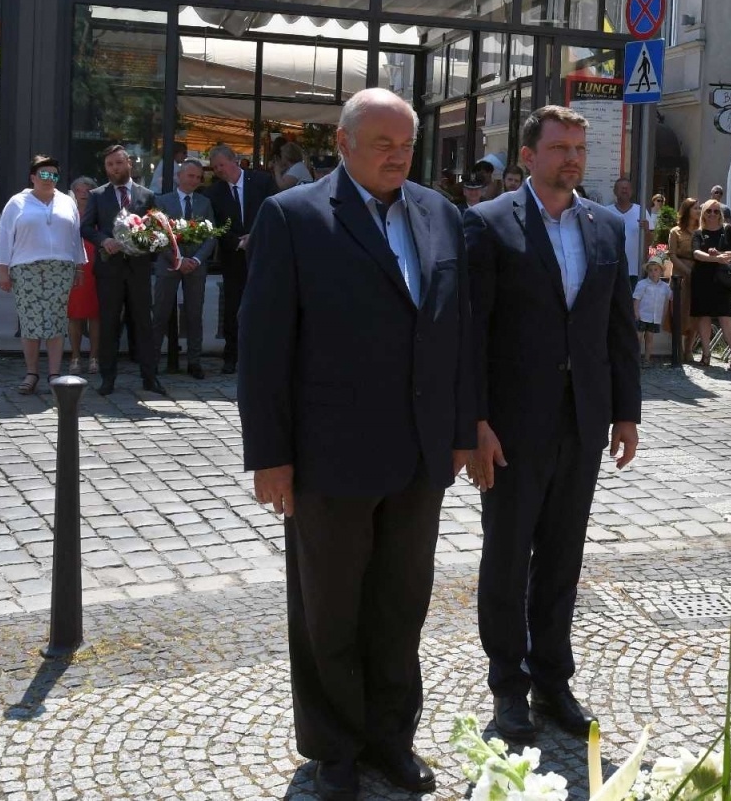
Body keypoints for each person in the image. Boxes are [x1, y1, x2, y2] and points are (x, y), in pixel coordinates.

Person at [240, 88, 474, 801]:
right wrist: (270, 454)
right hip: (329, 454)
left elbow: (454, 331)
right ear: (343, 145)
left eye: (405, 142)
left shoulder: (439, 214)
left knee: (401, 607)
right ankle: (334, 747)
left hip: (417, 455)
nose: (398, 154)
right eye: (382, 142)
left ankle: (389, 739)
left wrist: (462, 431)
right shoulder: (295, 216)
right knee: (329, 611)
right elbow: (264, 343)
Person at [462, 105, 640, 746]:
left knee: (563, 557)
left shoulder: (605, 227)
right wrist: (474, 421)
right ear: (528, 156)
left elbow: (617, 326)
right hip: (510, 428)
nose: (571, 158)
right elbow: (471, 333)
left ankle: (552, 679)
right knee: (507, 558)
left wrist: (625, 411)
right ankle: (508, 687)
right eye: (559, 147)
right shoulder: (486, 225)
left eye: (578, 149)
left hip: (582, 423)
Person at [0, 156, 87, 393]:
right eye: (44, 174)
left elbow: (75, 236)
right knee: (30, 322)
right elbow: (4, 236)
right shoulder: (17, 202)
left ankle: (54, 373)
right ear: (33, 177)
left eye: (53, 175)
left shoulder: (67, 201)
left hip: (61, 268)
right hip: (27, 268)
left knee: (56, 321)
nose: (49, 179)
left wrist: (79, 265)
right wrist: (2, 269)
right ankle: (31, 373)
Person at [80, 144, 165, 397]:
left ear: (129, 163)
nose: (115, 168)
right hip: (109, 269)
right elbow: (85, 228)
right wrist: (103, 240)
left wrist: (146, 241)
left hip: (138, 269)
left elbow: (155, 228)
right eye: (110, 165)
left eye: (119, 163)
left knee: (143, 324)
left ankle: (150, 377)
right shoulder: (97, 195)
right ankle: (108, 378)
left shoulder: (146, 195)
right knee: (109, 324)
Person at [208, 144, 278, 375]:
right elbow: (215, 226)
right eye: (215, 167)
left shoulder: (262, 181)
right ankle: (231, 356)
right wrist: (237, 241)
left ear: (234, 161)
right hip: (234, 256)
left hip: (263, 254)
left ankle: (264, 354)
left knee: (265, 304)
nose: (219, 170)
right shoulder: (214, 192)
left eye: (221, 165)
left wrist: (255, 236)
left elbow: (275, 212)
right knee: (233, 307)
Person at [153, 160, 217, 379]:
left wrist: (197, 260)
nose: (195, 181)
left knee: (194, 314)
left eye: (199, 178)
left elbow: (211, 236)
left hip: (196, 267)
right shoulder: (162, 201)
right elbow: (158, 236)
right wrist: (177, 259)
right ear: (179, 176)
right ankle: (151, 361)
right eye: (191, 176)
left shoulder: (204, 202)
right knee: (160, 312)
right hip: (169, 264)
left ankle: (194, 362)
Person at [690, 199, 731, 372]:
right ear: (703, 213)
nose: (712, 214)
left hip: (723, 279)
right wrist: (714, 258)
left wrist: (723, 254)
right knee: (703, 316)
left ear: (720, 214)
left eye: (716, 211)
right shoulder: (698, 232)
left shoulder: (727, 230)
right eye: (709, 211)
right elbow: (696, 253)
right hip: (702, 278)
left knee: (725, 317)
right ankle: (706, 353)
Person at [66, 178, 100, 376]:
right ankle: (75, 356)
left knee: (96, 315)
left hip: (97, 267)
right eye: (79, 189)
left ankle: (94, 357)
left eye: (89, 189)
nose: (84, 193)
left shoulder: (100, 214)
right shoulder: (68, 214)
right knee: (75, 315)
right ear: (74, 192)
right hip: (75, 267)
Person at [667, 198, 701, 361]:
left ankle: (689, 349)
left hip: (698, 274)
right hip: (680, 275)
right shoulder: (675, 231)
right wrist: (686, 270)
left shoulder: (701, 231)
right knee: (679, 311)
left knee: (694, 312)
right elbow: (672, 254)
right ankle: (678, 349)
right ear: (687, 210)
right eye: (696, 208)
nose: (699, 211)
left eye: (699, 208)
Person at [633, 257, 671, 366]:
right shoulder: (642, 284)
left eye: (656, 270)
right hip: (642, 315)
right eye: (650, 270)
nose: (653, 273)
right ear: (647, 271)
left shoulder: (665, 287)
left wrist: (663, 316)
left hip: (655, 317)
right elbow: (637, 298)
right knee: (638, 337)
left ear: (661, 271)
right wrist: (636, 311)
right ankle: (635, 358)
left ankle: (647, 359)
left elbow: (669, 299)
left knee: (650, 338)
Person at [610, 177, 649, 287]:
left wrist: (646, 230)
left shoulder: (641, 211)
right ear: (614, 191)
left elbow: (651, 241)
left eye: (627, 188)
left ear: (631, 191)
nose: (624, 191)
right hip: (612, 268)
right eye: (621, 188)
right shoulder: (606, 212)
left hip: (635, 270)